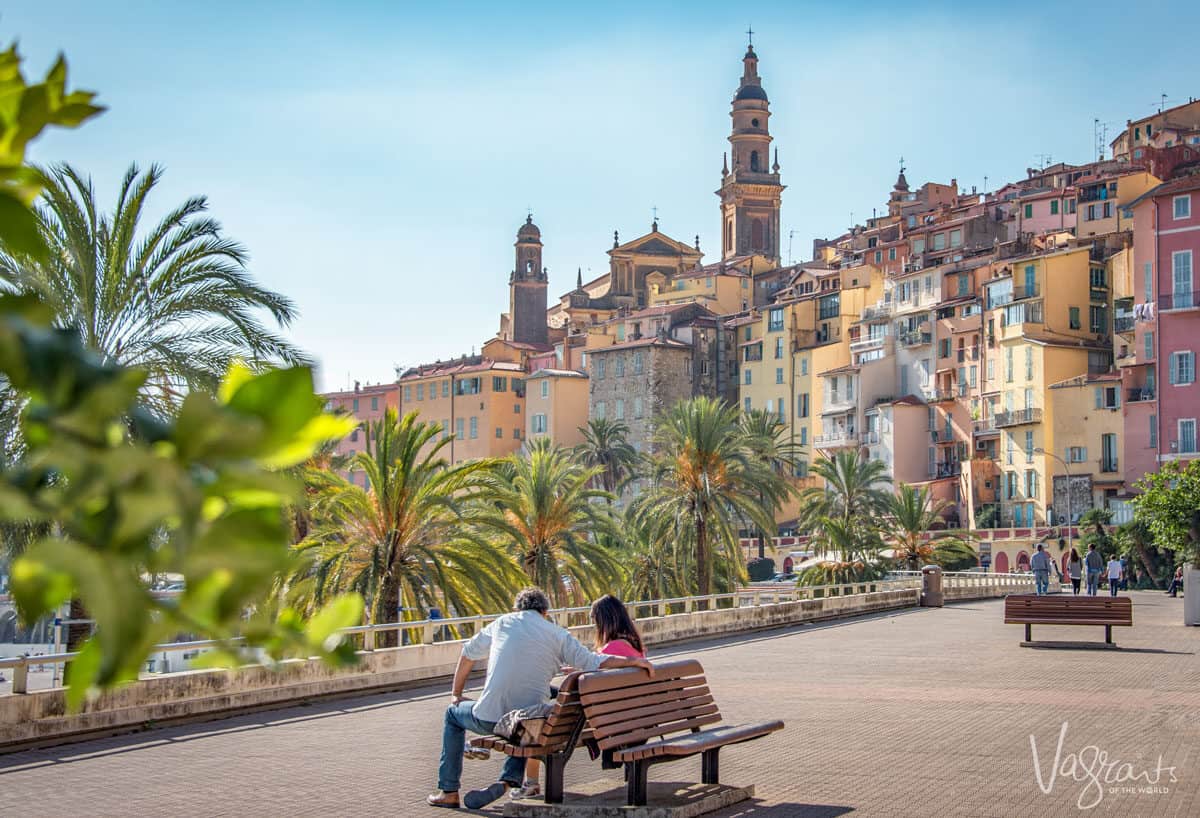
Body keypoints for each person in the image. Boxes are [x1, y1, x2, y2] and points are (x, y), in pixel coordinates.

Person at [427, 588, 654, 810]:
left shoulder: (502, 623)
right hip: (530, 724)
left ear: (517, 609)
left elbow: (467, 654)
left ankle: (448, 791)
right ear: (545, 612)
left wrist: (457, 694)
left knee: (452, 715)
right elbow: (597, 662)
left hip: (490, 718)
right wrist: (634, 662)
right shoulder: (557, 634)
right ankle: (508, 779)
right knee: (530, 718)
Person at [511, 594, 647, 801]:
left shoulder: (611, 650)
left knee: (533, 722)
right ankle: (526, 781)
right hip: (627, 718)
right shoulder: (636, 648)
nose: (593, 625)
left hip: (596, 723)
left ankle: (529, 782)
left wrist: (578, 672)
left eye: (594, 619)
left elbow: (591, 684)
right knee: (549, 698)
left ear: (604, 620)